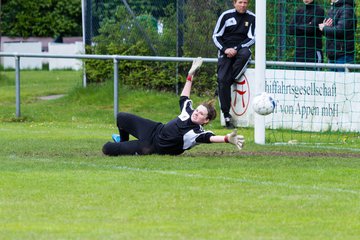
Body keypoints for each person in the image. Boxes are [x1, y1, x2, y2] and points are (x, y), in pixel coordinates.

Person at [102, 58, 245, 156]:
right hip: (154, 129)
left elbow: (211, 138)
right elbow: (184, 97)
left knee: (107, 148)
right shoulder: (188, 111)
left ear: (206, 120)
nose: (196, 113)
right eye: (197, 110)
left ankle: (122, 145)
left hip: (152, 147)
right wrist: (190, 75)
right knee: (121, 117)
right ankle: (123, 142)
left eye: (201, 114)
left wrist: (227, 138)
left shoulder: (197, 133)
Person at [212, 0, 255, 129]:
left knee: (244, 54)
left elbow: (252, 38)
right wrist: (225, 49)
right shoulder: (225, 16)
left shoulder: (252, 18)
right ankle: (226, 116)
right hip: (225, 52)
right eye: (240, 2)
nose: (243, 5)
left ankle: (223, 85)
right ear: (234, 3)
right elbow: (216, 36)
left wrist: (236, 48)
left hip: (241, 50)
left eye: (245, 2)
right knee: (222, 80)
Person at [319, 0, 357, 71]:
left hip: (343, 55)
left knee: (343, 81)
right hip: (332, 54)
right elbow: (327, 30)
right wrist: (325, 28)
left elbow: (340, 30)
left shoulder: (347, 9)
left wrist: (324, 28)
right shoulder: (332, 9)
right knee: (332, 81)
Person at [288, 0, 325, 65]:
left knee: (314, 75)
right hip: (298, 53)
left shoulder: (319, 11)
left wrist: (298, 26)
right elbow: (291, 29)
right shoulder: (299, 11)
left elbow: (311, 28)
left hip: (313, 52)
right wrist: (307, 25)